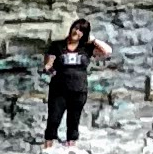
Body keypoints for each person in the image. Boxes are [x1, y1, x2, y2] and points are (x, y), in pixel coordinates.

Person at [43, 17, 110, 146]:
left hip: (78, 91)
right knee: (53, 119)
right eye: (76, 28)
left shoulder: (86, 48)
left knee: (73, 121)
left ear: (84, 34)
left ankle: (71, 148)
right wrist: (52, 71)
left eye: (81, 31)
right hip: (59, 90)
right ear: (71, 28)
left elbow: (107, 51)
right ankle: (47, 148)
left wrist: (94, 40)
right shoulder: (57, 45)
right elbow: (48, 65)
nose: (77, 32)